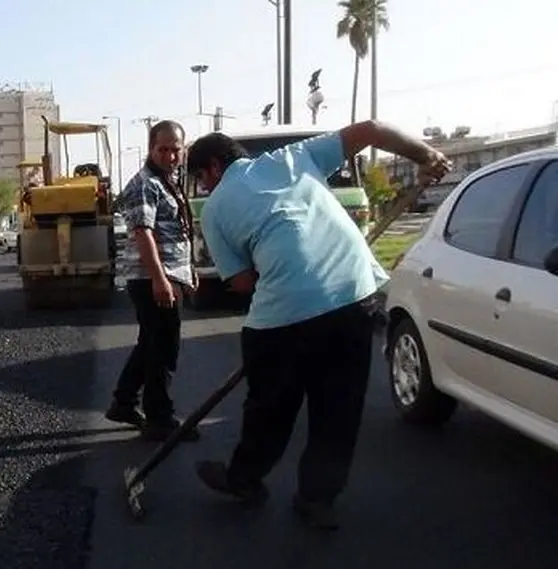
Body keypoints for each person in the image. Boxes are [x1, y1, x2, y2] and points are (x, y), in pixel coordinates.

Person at [185, 120, 452, 529]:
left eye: (201, 178)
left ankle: (245, 479)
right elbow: (372, 129)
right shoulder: (294, 157)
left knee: (270, 407)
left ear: (213, 167)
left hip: (284, 315)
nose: (204, 187)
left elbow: (240, 282)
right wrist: (425, 155)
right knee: (338, 408)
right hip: (354, 295)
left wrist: (276, 264)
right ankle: (317, 499)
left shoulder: (217, 207)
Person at [105, 120, 199, 442]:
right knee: (164, 350)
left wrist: (189, 272)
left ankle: (123, 402)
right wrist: (160, 279)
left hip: (168, 275)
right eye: (164, 149)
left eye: (176, 150)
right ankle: (160, 418)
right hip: (153, 279)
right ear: (150, 149)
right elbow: (143, 232)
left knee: (150, 344)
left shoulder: (167, 182)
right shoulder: (146, 183)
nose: (171, 156)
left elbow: (178, 231)